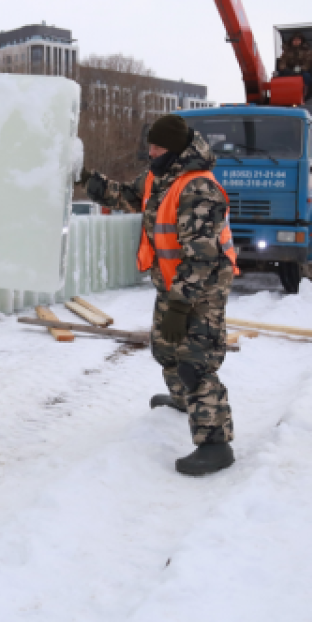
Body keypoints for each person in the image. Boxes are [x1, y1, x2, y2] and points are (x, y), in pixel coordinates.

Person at [80, 115, 237, 476]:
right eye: (150, 145)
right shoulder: (158, 176)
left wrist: (182, 304)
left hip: (203, 286)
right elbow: (130, 196)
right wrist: (89, 180)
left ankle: (216, 444)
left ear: (177, 149)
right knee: (165, 347)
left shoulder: (198, 188)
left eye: (158, 147)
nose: (151, 152)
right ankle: (184, 400)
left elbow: (204, 257)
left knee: (196, 362)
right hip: (173, 282)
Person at [276, 34, 312, 100]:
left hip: (302, 71)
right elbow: (282, 62)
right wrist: (285, 69)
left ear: (301, 41)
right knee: (277, 76)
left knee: (307, 76)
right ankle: (279, 95)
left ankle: (304, 93)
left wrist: (300, 69)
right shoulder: (286, 52)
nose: (296, 41)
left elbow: (308, 63)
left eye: (298, 40)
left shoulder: (308, 51)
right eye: (294, 40)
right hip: (289, 71)